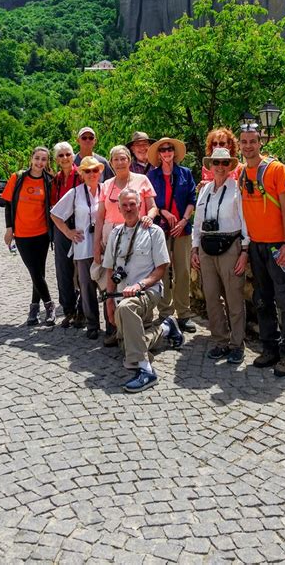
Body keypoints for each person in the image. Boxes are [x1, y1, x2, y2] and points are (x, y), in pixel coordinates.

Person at [103, 188, 184, 393]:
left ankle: (146, 370)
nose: (129, 208)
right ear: (119, 208)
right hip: (122, 295)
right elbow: (110, 270)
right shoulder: (115, 233)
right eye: (125, 205)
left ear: (140, 206)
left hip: (148, 290)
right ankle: (166, 328)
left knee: (126, 309)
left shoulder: (153, 231)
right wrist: (109, 302)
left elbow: (161, 268)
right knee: (127, 344)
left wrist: (140, 285)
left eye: (133, 204)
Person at [238, 124, 285, 377]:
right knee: (262, 299)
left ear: (260, 142)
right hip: (256, 245)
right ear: (240, 145)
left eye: (253, 141)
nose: (248, 146)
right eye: (244, 142)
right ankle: (269, 348)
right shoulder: (243, 173)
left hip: (277, 246)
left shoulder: (276, 170)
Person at [94, 145, 158, 345]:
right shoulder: (107, 185)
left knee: (135, 280)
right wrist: (97, 243)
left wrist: (148, 217)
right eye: (116, 159)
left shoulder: (142, 180)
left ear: (129, 160)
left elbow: (153, 207)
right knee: (109, 282)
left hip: (137, 235)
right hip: (111, 236)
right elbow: (100, 216)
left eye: (123, 158)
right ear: (111, 163)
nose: (120, 162)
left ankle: (139, 326)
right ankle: (113, 328)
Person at [191, 148, 250, 363]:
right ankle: (220, 340)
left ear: (229, 166)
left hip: (230, 246)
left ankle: (237, 343)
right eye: (216, 162)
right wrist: (194, 248)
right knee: (212, 298)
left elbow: (245, 221)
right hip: (207, 248)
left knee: (234, 298)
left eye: (225, 163)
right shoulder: (205, 190)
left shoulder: (236, 189)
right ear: (211, 164)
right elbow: (197, 222)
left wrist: (244, 251)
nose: (220, 166)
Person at [147, 137, 197, 333]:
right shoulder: (152, 176)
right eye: (163, 150)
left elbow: (192, 199)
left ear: (174, 153)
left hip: (182, 230)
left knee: (183, 272)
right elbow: (149, 201)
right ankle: (166, 312)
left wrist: (184, 220)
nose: (166, 152)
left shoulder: (185, 173)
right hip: (161, 229)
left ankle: (184, 313)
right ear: (159, 154)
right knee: (163, 272)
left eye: (169, 149)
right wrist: (163, 211)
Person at [1, 146, 55, 327]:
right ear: (31, 158)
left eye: (44, 159)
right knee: (34, 271)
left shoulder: (49, 181)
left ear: (47, 162)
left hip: (42, 234)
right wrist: (9, 228)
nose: (40, 162)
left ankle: (33, 310)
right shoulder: (18, 178)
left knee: (38, 272)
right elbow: (8, 205)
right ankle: (49, 305)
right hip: (22, 234)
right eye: (37, 158)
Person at [50, 156, 103, 340]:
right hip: (83, 247)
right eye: (87, 171)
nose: (91, 174)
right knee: (87, 287)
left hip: (105, 246)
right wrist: (68, 232)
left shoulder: (107, 190)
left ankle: (113, 325)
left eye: (94, 170)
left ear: (100, 171)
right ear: (81, 173)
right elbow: (55, 214)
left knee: (109, 286)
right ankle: (92, 324)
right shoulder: (75, 193)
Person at [51, 142, 84, 328]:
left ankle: (83, 311)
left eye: (68, 154)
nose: (65, 158)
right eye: (61, 155)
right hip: (61, 228)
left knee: (82, 271)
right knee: (63, 270)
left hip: (79, 226)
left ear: (73, 156)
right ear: (56, 159)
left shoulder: (81, 175)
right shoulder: (55, 180)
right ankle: (69, 309)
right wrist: (64, 230)